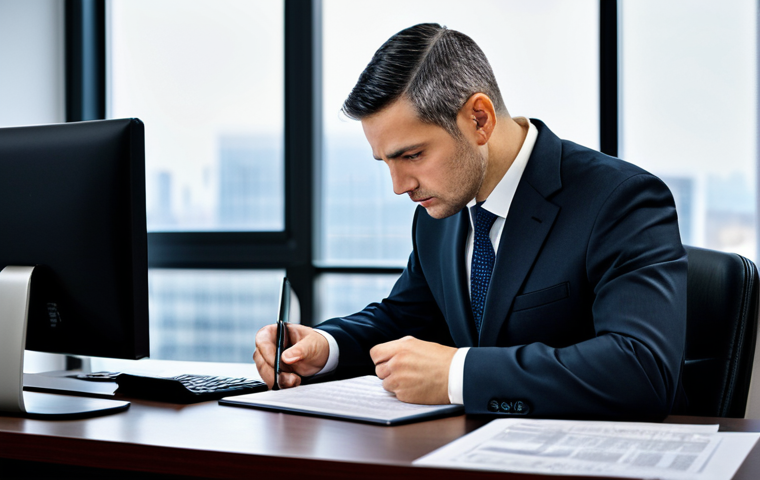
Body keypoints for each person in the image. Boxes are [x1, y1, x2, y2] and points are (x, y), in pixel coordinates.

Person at [254, 23, 687, 419]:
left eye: (412, 155)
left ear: (479, 119)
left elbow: (641, 369)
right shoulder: (439, 209)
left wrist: (456, 373)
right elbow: (405, 318)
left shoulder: (619, 199)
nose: (399, 186)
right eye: (386, 162)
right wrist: (325, 348)